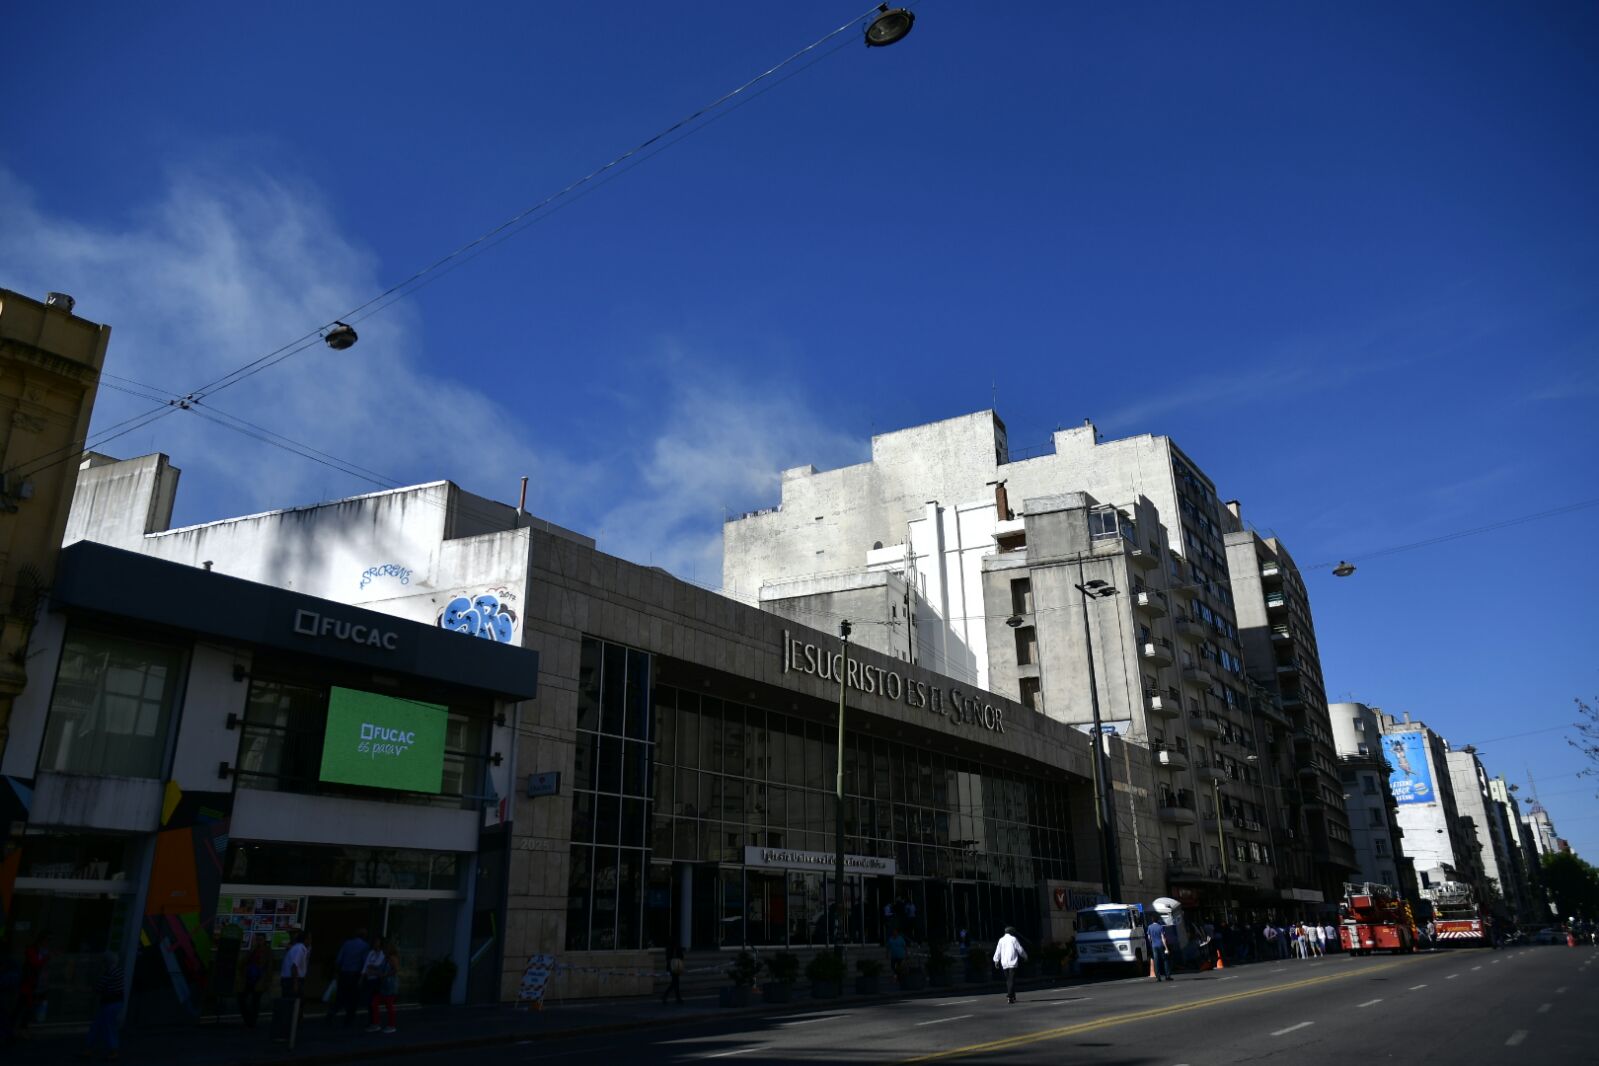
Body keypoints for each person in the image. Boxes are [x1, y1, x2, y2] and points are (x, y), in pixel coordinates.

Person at [83, 951, 124, 1061]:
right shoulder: (118, 972)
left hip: (108, 1003)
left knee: (103, 1026)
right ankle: (92, 1049)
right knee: (106, 1026)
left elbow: (99, 988)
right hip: (115, 1002)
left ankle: (109, 1050)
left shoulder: (108, 974)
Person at [330, 927, 370, 1025]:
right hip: (355, 974)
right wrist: (363, 976)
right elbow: (365, 962)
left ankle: (331, 1014)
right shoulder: (365, 946)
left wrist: (336, 973)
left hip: (344, 973)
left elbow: (339, 959)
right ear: (364, 936)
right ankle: (348, 1020)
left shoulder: (347, 943)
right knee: (353, 998)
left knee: (340, 996)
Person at [15, 933, 49, 1035]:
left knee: (25, 1005)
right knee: (23, 1005)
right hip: (29, 982)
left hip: (34, 983)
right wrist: (45, 958)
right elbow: (36, 963)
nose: (46, 944)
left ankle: (21, 1026)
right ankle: (19, 1027)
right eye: (45, 942)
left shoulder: (39, 951)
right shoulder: (33, 951)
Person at [366, 942, 399, 1034]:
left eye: (384, 949)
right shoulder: (386, 958)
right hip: (384, 986)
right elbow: (381, 969)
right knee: (375, 1003)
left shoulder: (392, 958)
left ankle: (391, 1025)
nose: (383, 951)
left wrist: (383, 975)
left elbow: (395, 970)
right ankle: (377, 1024)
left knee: (387, 1005)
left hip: (390, 986)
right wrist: (373, 968)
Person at [238, 939, 270, 1029]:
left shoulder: (266, 952)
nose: (258, 941)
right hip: (249, 979)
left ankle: (251, 1021)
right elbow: (242, 964)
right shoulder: (252, 951)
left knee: (255, 1001)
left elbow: (269, 967)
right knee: (242, 998)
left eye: (260, 939)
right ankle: (249, 1019)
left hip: (259, 980)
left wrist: (267, 981)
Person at [993, 925, 1027, 1004]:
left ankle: (1013, 996)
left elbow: (998, 951)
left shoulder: (1001, 940)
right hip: (1012, 962)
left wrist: (996, 960)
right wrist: (1025, 956)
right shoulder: (1013, 939)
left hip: (1004, 963)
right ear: (1011, 932)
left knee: (1008, 980)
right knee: (1012, 980)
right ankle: (1010, 996)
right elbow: (1020, 949)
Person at [281, 931, 311, 1000]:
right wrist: (295, 983)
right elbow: (294, 966)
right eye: (309, 939)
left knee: (292, 1002)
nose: (310, 941)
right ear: (305, 939)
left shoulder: (298, 947)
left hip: (290, 979)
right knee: (293, 1002)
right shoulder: (300, 948)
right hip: (291, 980)